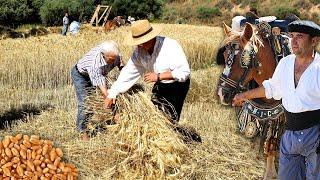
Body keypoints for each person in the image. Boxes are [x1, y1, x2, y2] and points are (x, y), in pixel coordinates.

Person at [232, 20, 320, 180]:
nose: (293, 41)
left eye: (300, 36)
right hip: (290, 136)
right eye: (292, 36)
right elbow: (271, 88)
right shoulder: (285, 63)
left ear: (314, 41)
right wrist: (244, 96)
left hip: (315, 135)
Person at [105, 19, 190, 122]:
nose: (139, 46)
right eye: (137, 43)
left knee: (170, 119)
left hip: (177, 85)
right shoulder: (139, 52)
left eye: (142, 42)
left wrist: (158, 76)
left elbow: (184, 72)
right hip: (161, 84)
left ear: (151, 37)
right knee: (156, 114)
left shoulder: (170, 46)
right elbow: (128, 73)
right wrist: (112, 93)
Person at [71, 40, 124, 140]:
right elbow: (105, 93)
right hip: (81, 76)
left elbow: (120, 62)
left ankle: (117, 119)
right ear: (103, 55)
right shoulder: (94, 64)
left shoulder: (113, 53)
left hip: (100, 75)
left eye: (114, 59)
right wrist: (114, 109)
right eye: (111, 60)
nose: (113, 62)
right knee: (86, 103)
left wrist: (122, 68)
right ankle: (82, 131)